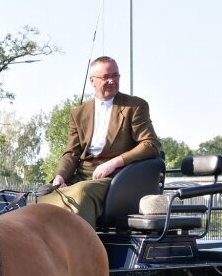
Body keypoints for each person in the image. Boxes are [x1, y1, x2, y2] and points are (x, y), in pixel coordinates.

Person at [37, 56, 162, 227]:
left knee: (82, 192)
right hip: (83, 175)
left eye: (115, 76)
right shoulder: (79, 113)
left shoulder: (135, 106)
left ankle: (83, 250)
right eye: (105, 77)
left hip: (117, 177)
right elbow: (72, 152)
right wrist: (60, 176)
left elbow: (150, 145)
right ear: (92, 81)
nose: (111, 81)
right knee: (45, 196)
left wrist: (114, 163)